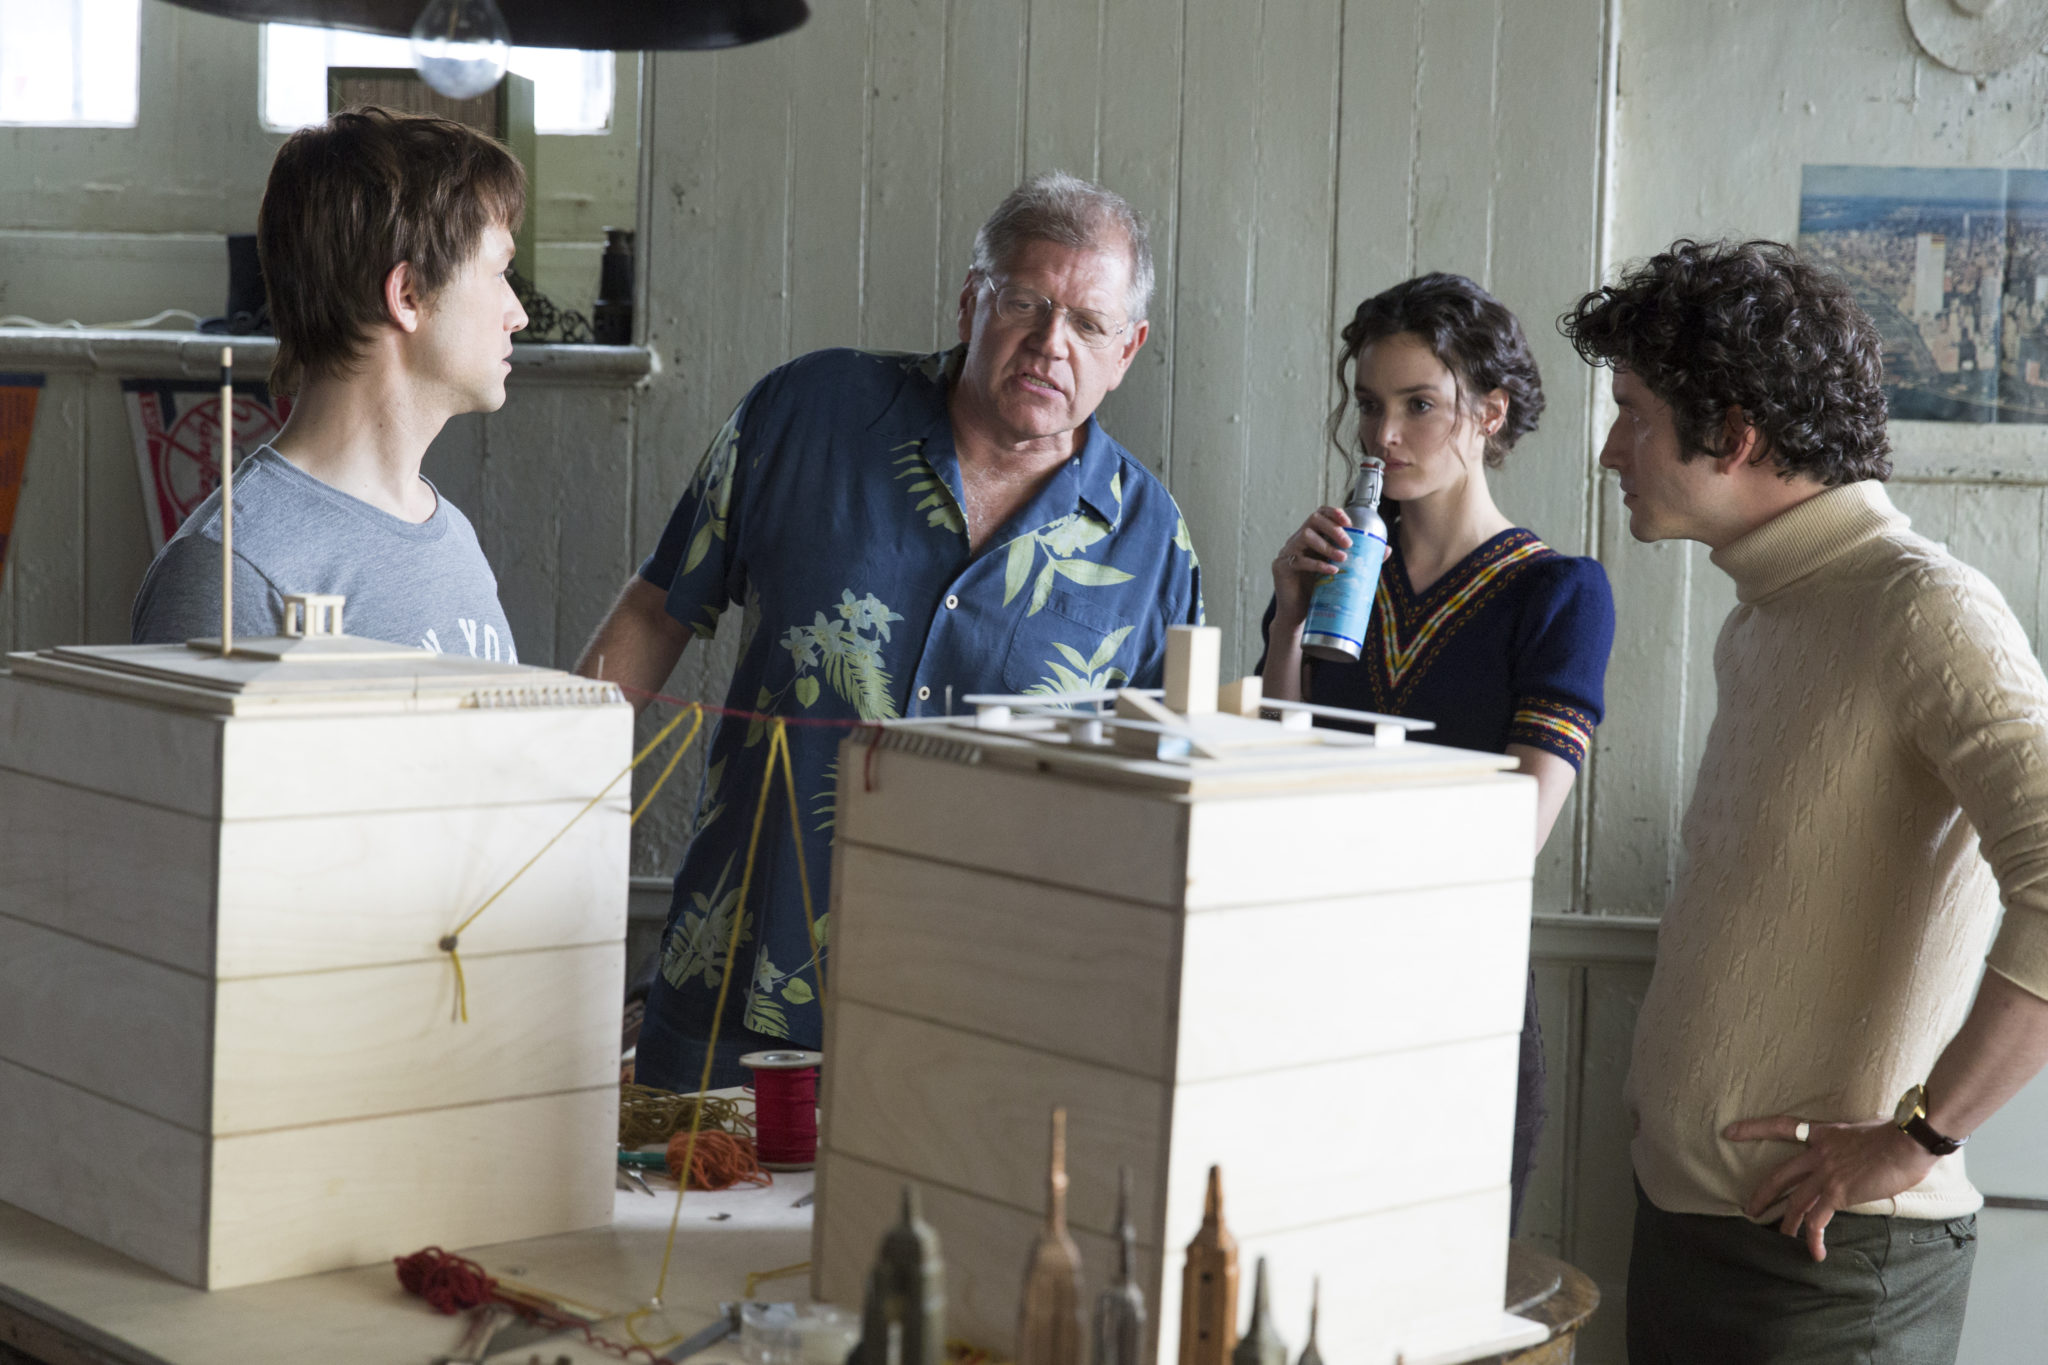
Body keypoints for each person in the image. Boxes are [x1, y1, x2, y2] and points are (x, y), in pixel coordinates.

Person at [579, 171, 1204, 1091]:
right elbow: (656, 609)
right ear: (969, 302)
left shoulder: (1152, 543)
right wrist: (541, 803)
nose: (1049, 343)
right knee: (677, 1225)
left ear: (1129, 349)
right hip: (736, 980)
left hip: (982, 1027)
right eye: (1024, 302)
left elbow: (1156, 804)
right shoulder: (811, 412)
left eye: (1087, 323)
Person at [1562, 238, 2048, 1364]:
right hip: (1708, 1235)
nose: (1609, 451)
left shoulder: (1920, 608)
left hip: (1827, 1267)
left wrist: (1918, 1136)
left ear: (1731, 435)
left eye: (1631, 413)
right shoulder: (1770, 609)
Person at [1258, 273, 1615, 1229]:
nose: (1384, 436)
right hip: (1309, 984)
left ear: (1489, 415)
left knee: (1436, 1291)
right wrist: (1289, 619)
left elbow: (1516, 830)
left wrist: (1346, 830)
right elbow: (1270, 779)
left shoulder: (1559, 595)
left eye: (1421, 405)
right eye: (1371, 405)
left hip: (1460, 993)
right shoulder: (1332, 577)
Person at [133, 106, 526, 659]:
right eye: (499, 273)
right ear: (408, 295)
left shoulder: (452, 537)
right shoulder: (230, 570)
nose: (518, 314)